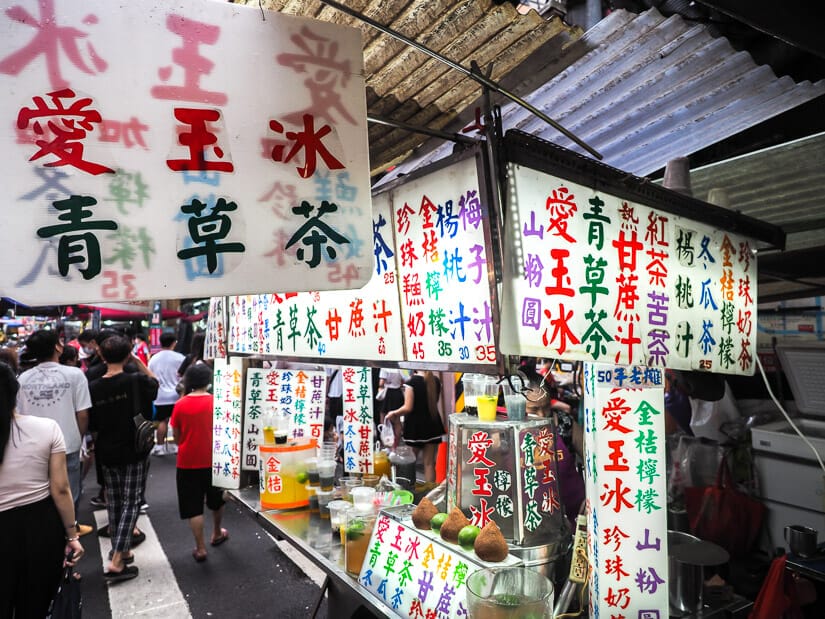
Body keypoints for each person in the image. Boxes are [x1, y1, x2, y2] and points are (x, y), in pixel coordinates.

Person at [0, 360, 85, 617]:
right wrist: (72, 536)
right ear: (16, 391)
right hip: (40, 528)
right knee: (35, 605)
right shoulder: (46, 428)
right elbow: (60, 489)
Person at [88, 335, 158, 582]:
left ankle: (123, 549)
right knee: (132, 501)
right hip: (134, 448)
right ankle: (118, 556)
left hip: (107, 450)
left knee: (115, 501)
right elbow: (155, 383)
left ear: (103, 356)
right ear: (128, 355)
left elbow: (92, 424)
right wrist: (139, 362)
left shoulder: (94, 387)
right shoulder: (136, 380)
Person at [16, 330, 93, 528]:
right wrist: (78, 436)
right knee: (69, 492)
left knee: (40, 495)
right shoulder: (76, 375)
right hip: (67, 444)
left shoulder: (22, 379)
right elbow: (82, 414)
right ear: (58, 347)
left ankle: (47, 535)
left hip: (33, 448)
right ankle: (69, 533)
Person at [171, 363, 227, 562]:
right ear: (208, 381)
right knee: (216, 499)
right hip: (214, 460)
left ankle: (200, 548)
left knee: (193, 507)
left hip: (187, 462)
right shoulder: (217, 402)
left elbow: (177, 437)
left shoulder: (180, 405)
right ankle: (217, 532)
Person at [522, 367, 585, 527]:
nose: (542, 415)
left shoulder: (564, 423)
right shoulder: (508, 431)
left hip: (573, 516)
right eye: (534, 409)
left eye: (546, 407)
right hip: (531, 519)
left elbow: (592, 458)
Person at [384, 370, 445, 482]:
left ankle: (408, 489)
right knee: (429, 464)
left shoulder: (412, 382)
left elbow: (408, 407)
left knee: (410, 463)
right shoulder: (435, 381)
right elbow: (434, 402)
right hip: (433, 425)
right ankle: (429, 495)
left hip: (415, 427)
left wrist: (394, 413)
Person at [148, 332, 185, 455]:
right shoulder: (180, 357)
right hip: (177, 395)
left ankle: (159, 447)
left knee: (162, 421)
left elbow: (150, 376)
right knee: (176, 422)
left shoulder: (154, 358)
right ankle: (176, 446)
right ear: (174, 343)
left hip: (160, 396)